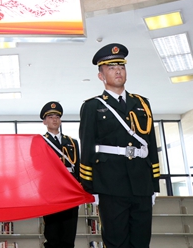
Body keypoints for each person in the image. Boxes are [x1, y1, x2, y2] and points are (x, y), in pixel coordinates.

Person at [79, 43, 160, 248]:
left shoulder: (142, 103)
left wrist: (154, 185)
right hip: (110, 184)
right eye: (112, 67)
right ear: (101, 75)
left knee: (142, 241)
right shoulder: (93, 106)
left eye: (121, 67)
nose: (118, 71)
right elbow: (87, 147)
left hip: (141, 182)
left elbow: (151, 144)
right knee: (116, 241)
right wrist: (90, 188)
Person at [40, 101, 80, 248]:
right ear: (44, 121)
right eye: (50, 117)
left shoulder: (72, 142)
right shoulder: (40, 142)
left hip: (70, 191)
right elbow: (37, 167)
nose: (54, 120)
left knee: (69, 234)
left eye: (57, 117)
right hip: (51, 191)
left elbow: (78, 167)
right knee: (52, 234)